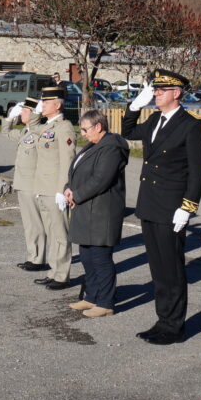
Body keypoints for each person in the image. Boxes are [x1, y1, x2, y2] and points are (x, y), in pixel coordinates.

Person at [122, 69, 201, 345]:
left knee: (172, 270)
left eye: (160, 90)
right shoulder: (155, 118)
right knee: (158, 269)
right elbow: (128, 131)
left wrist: (188, 206)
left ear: (176, 93)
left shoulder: (190, 125)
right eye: (155, 90)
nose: (156, 94)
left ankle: (174, 326)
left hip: (172, 208)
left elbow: (197, 172)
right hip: (150, 204)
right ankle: (162, 321)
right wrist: (135, 105)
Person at [63, 109, 129, 317]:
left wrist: (77, 195)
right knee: (87, 256)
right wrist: (68, 187)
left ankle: (106, 302)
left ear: (98, 126)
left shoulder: (112, 148)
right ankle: (91, 297)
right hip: (86, 210)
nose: (82, 133)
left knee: (100, 258)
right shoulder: (93, 144)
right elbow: (77, 170)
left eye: (85, 129)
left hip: (102, 211)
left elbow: (102, 179)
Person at [30, 85, 76, 290]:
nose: (43, 105)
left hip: (54, 189)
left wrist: (62, 188)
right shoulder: (47, 125)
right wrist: (36, 110)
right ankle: (53, 271)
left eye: (46, 102)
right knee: (51, 231)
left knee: (60, 234)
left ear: (57, 105)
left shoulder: (64, 127)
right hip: (43, 187)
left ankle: (62, 275)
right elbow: (32, 126)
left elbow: (67, 160)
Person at [2, 97, 48, 273]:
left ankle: (37, 259)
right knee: (29, 224)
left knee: (35, 223)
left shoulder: (38, 132)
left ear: (33, 114)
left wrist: (36, 112)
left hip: (33, 185)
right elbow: (6, 133)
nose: (21, 113)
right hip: (23, 184)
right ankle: (33, 256)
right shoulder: (24, 133)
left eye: (24, 111)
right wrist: (9, 119)